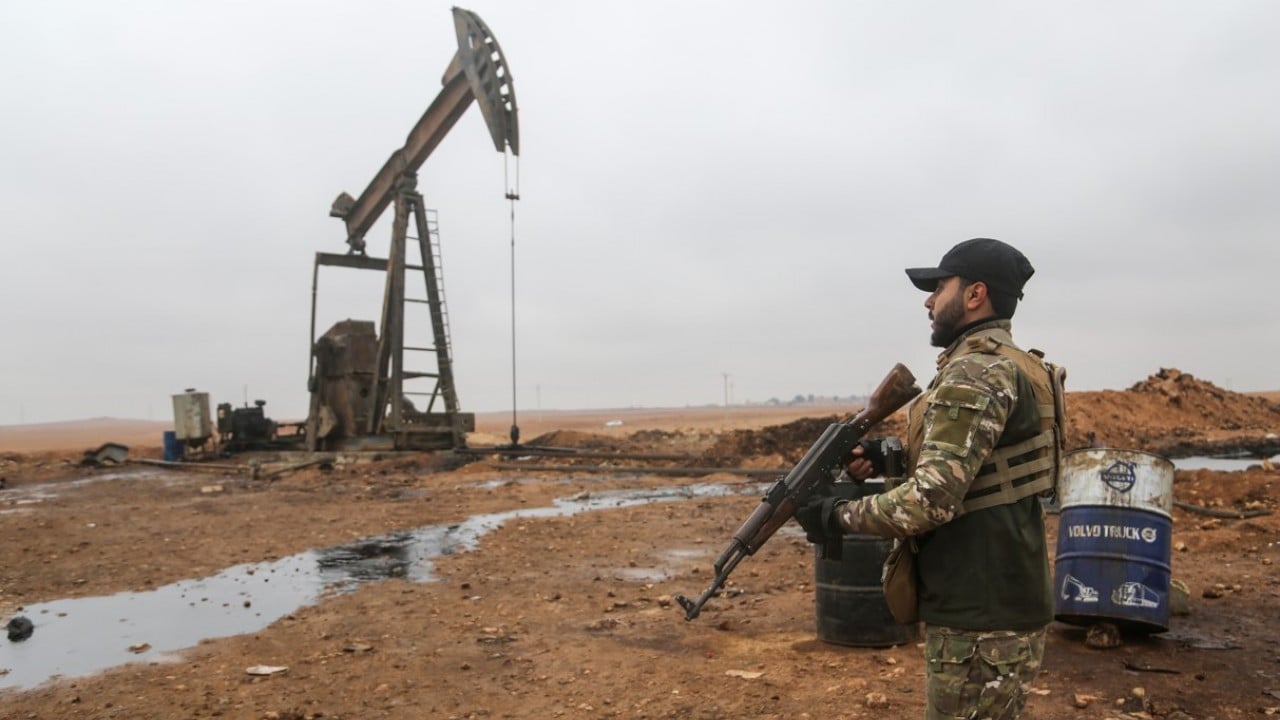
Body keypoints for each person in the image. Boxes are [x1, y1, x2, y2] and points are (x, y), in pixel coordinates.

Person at [798, 237, 1065, 720]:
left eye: (939, 287)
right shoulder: (1016, 364)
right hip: (999, 599)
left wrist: (836, 516)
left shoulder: (974, 373)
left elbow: (931, 501)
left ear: (974, 294)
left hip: (980, 613)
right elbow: (984, 463)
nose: (928, 300)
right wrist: (887, 460)